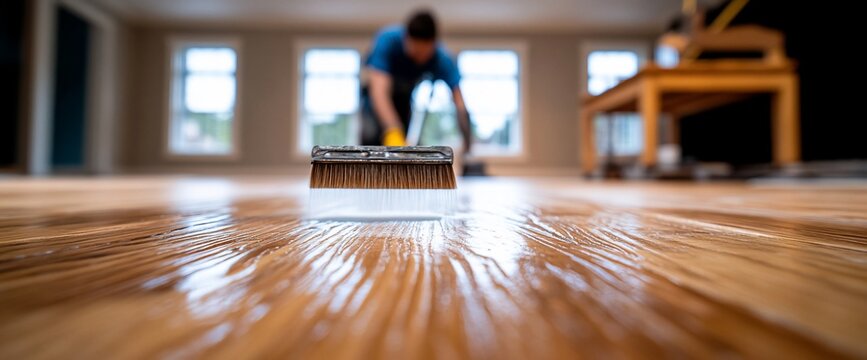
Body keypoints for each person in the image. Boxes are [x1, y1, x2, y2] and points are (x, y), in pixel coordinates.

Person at [360, 10, 472, 152]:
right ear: (406, 38)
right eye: (415, 52)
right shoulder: (387, 41)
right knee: (371, 137)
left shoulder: (441, 59)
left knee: (402, 151)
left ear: (433, 44)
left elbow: (460, 103)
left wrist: (467, 141)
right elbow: (379, 93)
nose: (419, 59)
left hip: (404, 102)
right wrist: (393, 131)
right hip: (375, 103)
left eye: (423, 54)